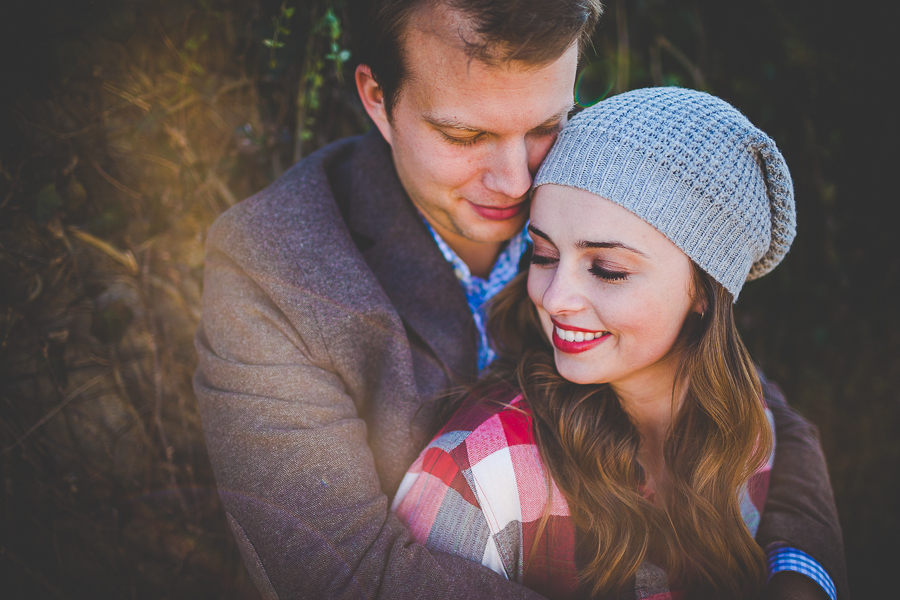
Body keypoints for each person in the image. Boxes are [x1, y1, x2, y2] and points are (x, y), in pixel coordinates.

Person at [192, 1, 846, 598]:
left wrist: (799, 574)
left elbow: (755, 407)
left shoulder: (596, 175)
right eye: (465, 136)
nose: (518, 180)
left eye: (546, 125)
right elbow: (342, 574)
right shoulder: (273, 264)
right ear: (375, 96)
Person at [391, 86, 844, 599]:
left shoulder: (750, 437)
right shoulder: (481, 477)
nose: (556, 297)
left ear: (704, 290)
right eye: (542, 255)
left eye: (608, 269)